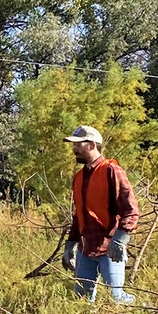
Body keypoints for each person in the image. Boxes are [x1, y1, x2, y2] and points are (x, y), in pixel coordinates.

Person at [61, 125, 139, 304]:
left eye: (78, 145)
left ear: (92, 145)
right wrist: (70, 246)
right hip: (85, 249)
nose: (74, 149)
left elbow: (131, 210)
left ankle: (142, 309)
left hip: (109, 249)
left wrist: (119, 240)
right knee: (82, 301)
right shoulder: (79, 177)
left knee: (116, 299)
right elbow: (79, 214)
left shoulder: (112, 170)